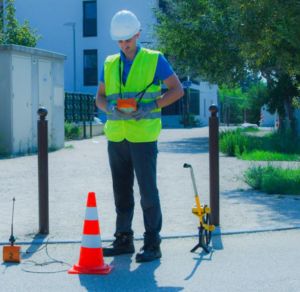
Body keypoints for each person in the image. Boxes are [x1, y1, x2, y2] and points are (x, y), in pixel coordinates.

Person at [96, 10, 184, 263]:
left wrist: (150, 106)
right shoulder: (110, 63)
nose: (125, 45)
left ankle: (152, 243)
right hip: (116, 137)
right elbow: (99, 98)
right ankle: (123, 240)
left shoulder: (154, 59)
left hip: (143, 137)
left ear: (138, 34)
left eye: (129, 39)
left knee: (147, 192)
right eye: (120, 41)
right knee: (121, 192)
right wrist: (109, 108)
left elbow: (177, 90)